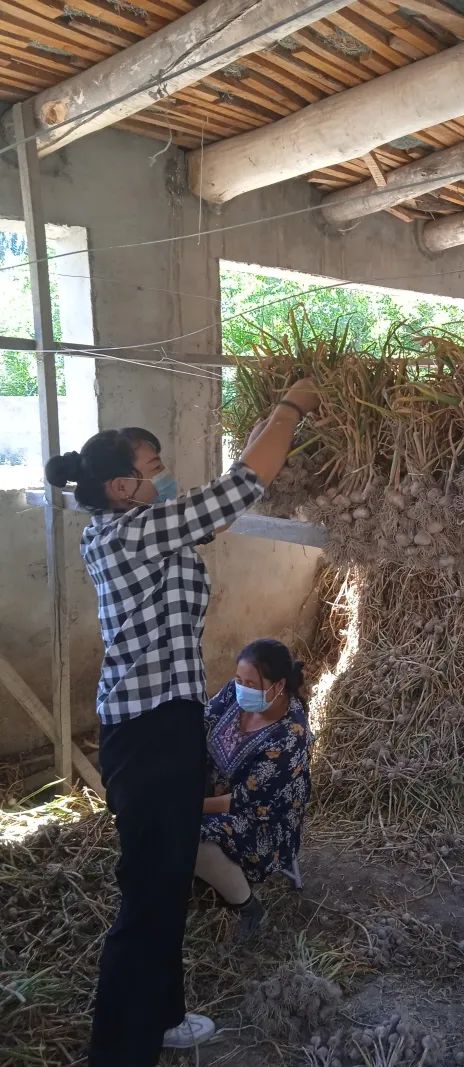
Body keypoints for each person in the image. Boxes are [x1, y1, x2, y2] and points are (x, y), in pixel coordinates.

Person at [44, 380, 319, 1067]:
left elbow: (227, 485)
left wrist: (271, 416)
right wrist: (291, 406)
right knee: (147, 894)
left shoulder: (130, 526)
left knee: (165, 880)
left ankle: (161, 1015)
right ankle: (120, 1050)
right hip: (147, 735)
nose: (162, 475)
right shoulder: (131, 530)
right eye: (151, 467)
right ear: (119, 487)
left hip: (166, 723)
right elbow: (242, 484)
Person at [195, 638, 312, 938]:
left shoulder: (290, 735)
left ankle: (248, 907)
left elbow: (242, 802)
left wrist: (186, 805)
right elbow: (203, 721)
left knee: (189, 834)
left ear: (278, 685)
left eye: (250, 683)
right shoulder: (237, 693)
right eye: (238, 679)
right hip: (216, 788)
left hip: (263, 822)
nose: (240, 688)